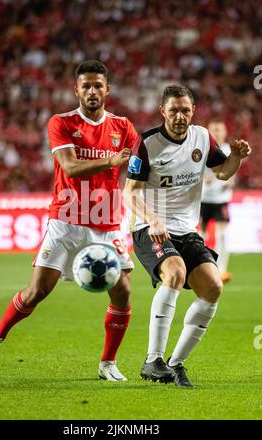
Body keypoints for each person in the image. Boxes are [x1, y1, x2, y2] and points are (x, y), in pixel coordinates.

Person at [0, 60, 138, 381]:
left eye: (98, 86)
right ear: (76, 89)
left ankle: (107, 363)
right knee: (37, 292)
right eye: (86, 86)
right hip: (65, 220)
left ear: (108, 89)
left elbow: (137, 167)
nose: (92, 91)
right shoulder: (60, 122)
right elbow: (71, 166)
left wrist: (132, 194)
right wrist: (110, 161)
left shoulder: (123, 126)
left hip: (106, 223)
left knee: (123, 292)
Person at [124, 85, 251, 387]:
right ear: (162, 112)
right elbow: (128, 193)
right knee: (175, 272)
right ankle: (153, 359)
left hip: (185, 229)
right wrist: (152, 219)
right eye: (173, 110)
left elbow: (222, 172)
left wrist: (237, 157)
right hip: (149, 228)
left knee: (213, 287)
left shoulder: (202, 137)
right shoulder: (146, 144)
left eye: (185, 110)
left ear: (192, 111)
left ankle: (175, 363)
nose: (179, 116)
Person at [200, 121, 234, 283]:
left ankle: (222, 270)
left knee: (221, 235)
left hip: (221, 200)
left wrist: (229, 180)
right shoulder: (203, 149)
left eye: (220, 130)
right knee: (201, 236)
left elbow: (233, 173)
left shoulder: (229, 151)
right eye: (214, 130)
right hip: (203, 199)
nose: (217, 133)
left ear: (225, 132)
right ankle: (202, 268)